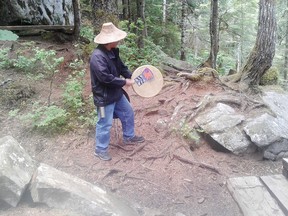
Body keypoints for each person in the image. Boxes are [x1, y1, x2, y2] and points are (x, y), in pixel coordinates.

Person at [90, 22, 145, 161]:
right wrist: (124, 82)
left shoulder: (112, 51)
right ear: (109, 40)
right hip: (103, 99)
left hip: (116, 93)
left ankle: (129, 136)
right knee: (104, 122)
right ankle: (100, 149)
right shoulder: (97, 56)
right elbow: (105, 78)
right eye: (117, 38)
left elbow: (121, 67)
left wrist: (131, 76)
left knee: (127, 112)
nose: (119, 40)